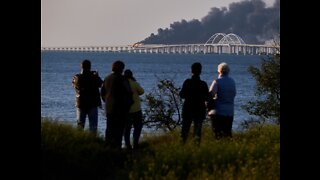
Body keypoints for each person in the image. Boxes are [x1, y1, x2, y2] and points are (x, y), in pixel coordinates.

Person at [100, 60, 133, 149]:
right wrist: (129, 104)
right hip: (120, 109)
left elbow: (102, 92)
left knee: (109, 128)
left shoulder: (107, 78)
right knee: (119, 130)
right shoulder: (123, 79)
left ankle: (107, 146)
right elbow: (129, 92)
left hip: (109, 108)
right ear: (122, 69)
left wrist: (106, 101)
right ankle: (117, 147)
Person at [179, 62, 210, 145]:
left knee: (184, 131)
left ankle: (182, 147)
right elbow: (207, 97)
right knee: (197, 131)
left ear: (191, 71)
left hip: (188, 109)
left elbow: (182, 95)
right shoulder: (203, 84)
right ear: (200, 71)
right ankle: (196, 148)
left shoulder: (187, 82)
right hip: (199, 110)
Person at [72, 59, 103, 134]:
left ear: (81, 67)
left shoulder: (77, 77)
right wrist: (97, 76)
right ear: (90, 67)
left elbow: (74, 85)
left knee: (80, 125)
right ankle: (92, 141)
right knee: (93, 126)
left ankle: (79, 141)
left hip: (81, 103)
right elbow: (101, 84)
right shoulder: (94, 77)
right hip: (92, 103)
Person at [209, 62, 236, 139]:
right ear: (228, 71)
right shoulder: (232, 81)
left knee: (217, 134)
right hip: (230, 112)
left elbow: (210, 94)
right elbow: (234, 94)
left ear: (219, 71)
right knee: (228, 133)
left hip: (219, 112)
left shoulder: (217, 81)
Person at [123, 69, 145, 150]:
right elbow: (142, 91)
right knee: (137, 127)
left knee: (126, 129)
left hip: (126, 110)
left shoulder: (122, 84)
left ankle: (127, 145)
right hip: (136, 109)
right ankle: (135, 143)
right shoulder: (134, 83)